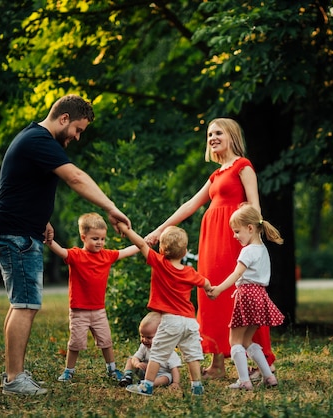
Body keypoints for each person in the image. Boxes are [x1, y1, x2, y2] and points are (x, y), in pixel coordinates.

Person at [0, 94, 131, 396]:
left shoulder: (32, 138)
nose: (78, 137)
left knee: (20, 304)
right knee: (25, 305)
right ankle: (14, 379)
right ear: (64, 118)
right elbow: (76, 178)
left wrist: (42, 219)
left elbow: (20, 185)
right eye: (78, 130)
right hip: (17, 236)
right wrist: (110, 207)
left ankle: (14, 374)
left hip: (18, 231)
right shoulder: (41, 140)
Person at [144, 118, 276, 380]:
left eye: (218, 133)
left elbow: (255, 208)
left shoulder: (243, 166)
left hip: (233, 239)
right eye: (209, 134)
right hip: (211, 240)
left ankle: (264, 362)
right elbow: (190, 205)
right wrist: (160, 229)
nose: (212, 137)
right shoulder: (216, 174)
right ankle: (217, 364)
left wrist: (252, 244)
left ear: (231, 136)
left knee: (241, 296)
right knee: (210, 296)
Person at [117, 223, 212, 396]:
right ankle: (197, 386)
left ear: (161, 249)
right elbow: (205, 283)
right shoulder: (190, 272)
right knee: (192, 355)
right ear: (184, 252)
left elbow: (141, 244)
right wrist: (210, 290)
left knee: (158, 354)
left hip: (172, 320)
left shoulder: (159, 263)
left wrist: (127, 230)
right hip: (190, 321)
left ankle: (146, 386)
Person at [46, 212, 139, 383]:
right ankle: (69, 371)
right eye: (95, 239)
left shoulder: (107, 255)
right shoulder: (76, 256)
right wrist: (50, 242)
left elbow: (126, 251)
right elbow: (60, 251)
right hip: (79, 311)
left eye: (103, 239)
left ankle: (112, 369)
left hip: (98, 310)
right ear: (83, 237)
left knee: (106, 341)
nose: (100, 243)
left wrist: (144, 243)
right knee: (75, 343)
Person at [207, 204, 284, 390]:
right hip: (260, 297)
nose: (235, 236)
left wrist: (218, 289)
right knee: (248, 341)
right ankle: (268, 376)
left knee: (234, 341)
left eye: (237, 231)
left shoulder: (248, 251)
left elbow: (236, 275)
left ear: (250, 228)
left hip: (247, 296)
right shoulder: (263, 249)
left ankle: (244, 380)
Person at [118, 312, 182, 390]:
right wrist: (137, 363)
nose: (144, 340)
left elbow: (174, 369)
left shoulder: (168, 351)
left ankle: (148, 383)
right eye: (142, 336)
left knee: (166, 378)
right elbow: (136, 357)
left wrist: (176, 382)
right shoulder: (144, 347)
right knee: (130, 359)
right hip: (145, 371)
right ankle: (127, 376)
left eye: (149, 337)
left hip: (160, 374)